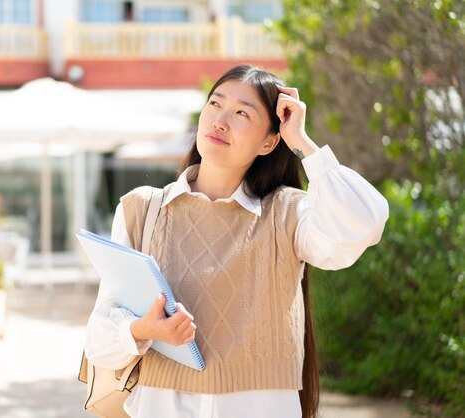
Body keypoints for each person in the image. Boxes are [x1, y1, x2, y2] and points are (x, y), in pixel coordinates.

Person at [84, 65, 389, 418]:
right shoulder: (142, 209)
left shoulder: (288, 214)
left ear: (270, 141)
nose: (220, 120)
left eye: (242, 112)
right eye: (215, 104)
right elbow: (99, 340)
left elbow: (364, 223)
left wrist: (302, 142)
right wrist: (143, 329)